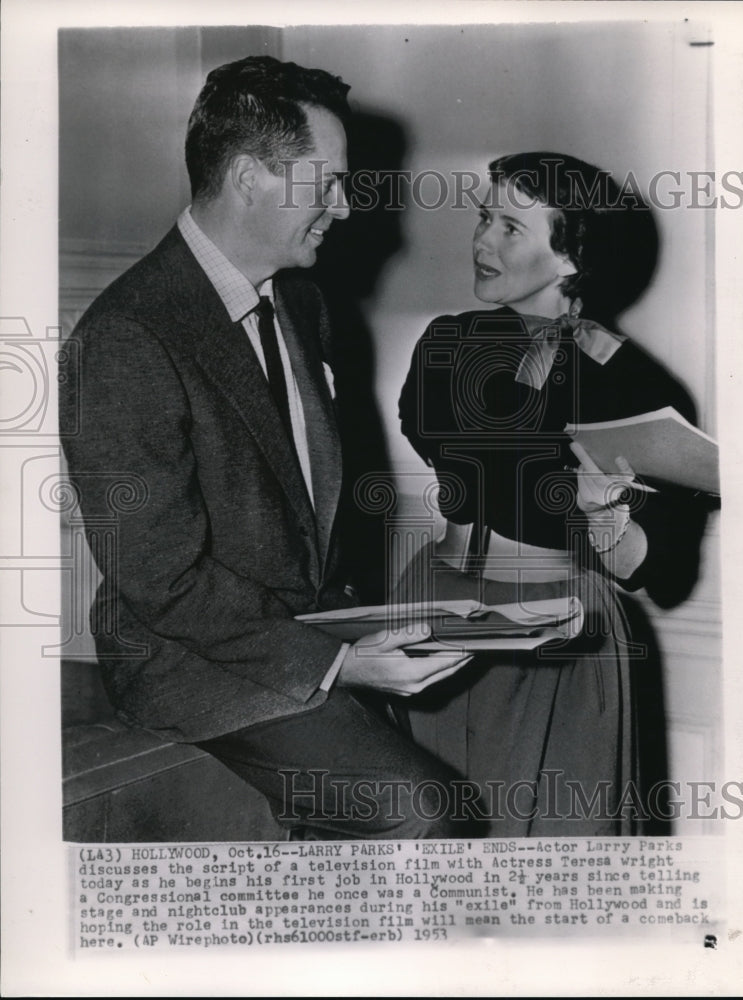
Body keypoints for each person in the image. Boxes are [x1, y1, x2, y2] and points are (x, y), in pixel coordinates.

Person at [59, 55, 475, 840]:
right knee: (424, 811)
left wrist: (354, 631)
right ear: (251, 177)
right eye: (328, 184)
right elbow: (161, 582)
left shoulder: (302, 302)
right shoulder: (123, 338)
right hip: (190, 664)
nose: (346, 209)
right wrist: (336, 664)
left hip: (308, 629)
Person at [397, 151, 708, 836]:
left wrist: (603, 518)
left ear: (569, 258)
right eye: (484, 218)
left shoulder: (638, 389)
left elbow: (661, 572)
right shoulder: (447, 344)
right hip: (437, 606)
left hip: (559, 638)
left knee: (537, 875)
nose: (481, 241)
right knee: (427, 857)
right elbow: (445, 445)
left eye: (510, 228)